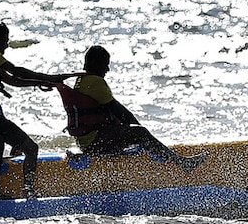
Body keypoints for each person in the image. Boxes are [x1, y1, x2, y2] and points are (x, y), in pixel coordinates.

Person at [0, 21, 68, 200]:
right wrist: (52, 77)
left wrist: (41, 83)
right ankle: (28, 190)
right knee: (31, 149)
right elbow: (17, 72)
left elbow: (12, 81)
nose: (6, 46)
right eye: (5, 41)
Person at [58, 45, 207, 171]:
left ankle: (153, 153)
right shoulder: (95, 82)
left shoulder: (81, 80)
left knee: (134, 133)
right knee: (140, 133)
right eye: (105, 64)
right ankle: (182, 163)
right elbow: (120, 112)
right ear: (97, 64)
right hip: (95, 142)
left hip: (86, 141)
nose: (107, 69)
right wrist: (141, 132)